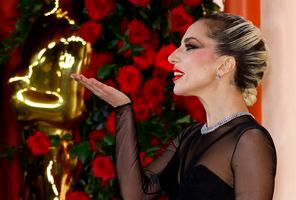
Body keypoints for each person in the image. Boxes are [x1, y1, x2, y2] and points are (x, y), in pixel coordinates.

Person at [71, 12, 277, 200]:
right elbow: (136, 195)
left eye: (190, 46)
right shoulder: (189, 136)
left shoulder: (249, 140)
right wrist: (122, 108)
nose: (172, 57)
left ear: (224, 65)